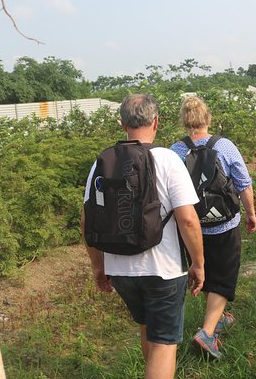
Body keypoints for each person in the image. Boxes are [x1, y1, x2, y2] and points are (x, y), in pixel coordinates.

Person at [81, 93, 205, 379]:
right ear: (156, 122)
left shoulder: (102, 163)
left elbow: (87, 220)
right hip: (163, 270)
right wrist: (198, 264)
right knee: (164, 343)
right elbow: (187, 219)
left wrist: (99, 267)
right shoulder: (168, 160)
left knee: (148, 327)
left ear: (122, 123)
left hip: (121, 270)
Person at [170, 95, 256, 359]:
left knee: (205, 271)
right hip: (225, 224)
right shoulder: (225, 146)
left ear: (184, 121)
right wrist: (251, 213)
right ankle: (207, 333)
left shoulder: (175, 151)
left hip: (192, 228)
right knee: (224, 277)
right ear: (208, 118)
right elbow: (243, 182)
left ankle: (217, 319)